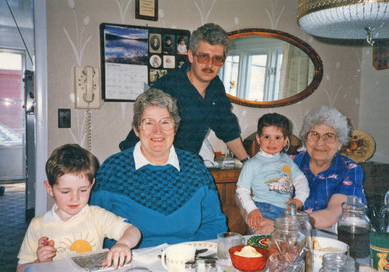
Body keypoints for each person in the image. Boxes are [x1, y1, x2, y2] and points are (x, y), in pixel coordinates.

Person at [91, 88, 227, 248]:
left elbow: (214, 223)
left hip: (187, 260)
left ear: (175, 128)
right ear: (136, 129)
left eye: (165, 122)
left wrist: (191, 255)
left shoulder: (195, 167)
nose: (158, 131)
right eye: (148, 123)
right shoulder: (113, 170)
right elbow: (92, 226)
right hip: (131, 262)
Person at [119, 23, 249, 162]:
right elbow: (145, 133)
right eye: (203, 57)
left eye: (216, 59)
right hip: (147, 164)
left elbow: (227, 128)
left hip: (183, 167)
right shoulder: (168, 86)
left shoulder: (215, 86)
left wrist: (247, 162)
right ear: (191, 56)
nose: (209, 65)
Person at [17, 144, 141, 272]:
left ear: (91, 185)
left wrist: (123, 244)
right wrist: (39, 262)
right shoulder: (38, 225)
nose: (75, 198)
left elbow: (133, 231)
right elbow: (21, 268)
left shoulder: (97, 216)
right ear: (49, 188)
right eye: (65, 192)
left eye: (83, 190)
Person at [293, 106, 366, 229]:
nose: (320, 142)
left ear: (340, 143)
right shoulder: (288, 165)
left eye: (329, 136)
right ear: (305, 139)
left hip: (334, 239)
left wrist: (285, 224)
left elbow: (335, 212)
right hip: (290, 237)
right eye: (314, 134)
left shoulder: (350, 169)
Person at [236, 113, 309, 232]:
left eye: (277, 138)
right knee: (265, 239)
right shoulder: (251, 164)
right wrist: (252, 210)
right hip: (262, 209)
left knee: (294, 239)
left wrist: (299, 199)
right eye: (266, 137)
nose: (272, 142)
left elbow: (301, 180)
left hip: (286, 211)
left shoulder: (288, 161)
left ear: (286, 141)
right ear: (258, 139)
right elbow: (241, 191)